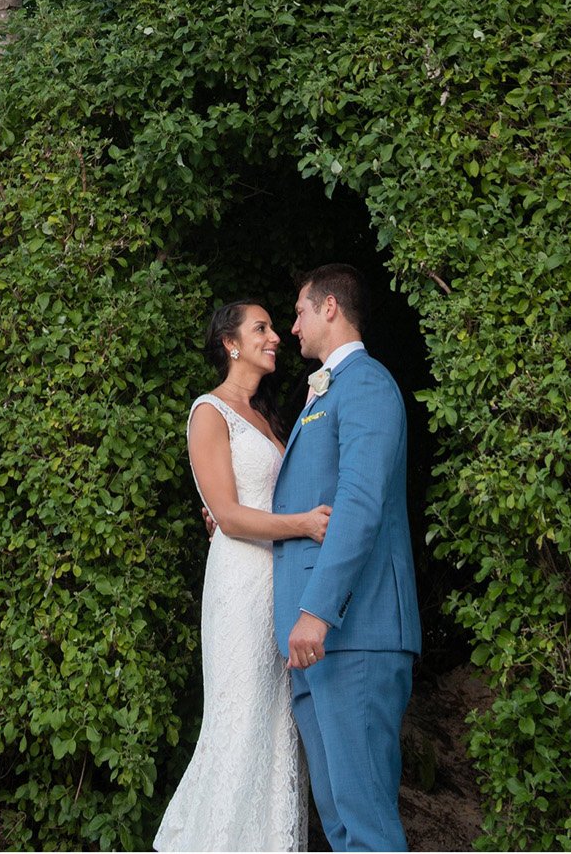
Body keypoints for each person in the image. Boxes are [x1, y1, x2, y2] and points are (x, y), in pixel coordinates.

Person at [154, 302, 333, 853]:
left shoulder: (267, 416)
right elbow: (228, 514)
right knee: (239, 725)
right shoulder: (210, 412)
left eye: (275, 327)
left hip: (278, 584)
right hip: (239, 587)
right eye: (261, 328)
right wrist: (302, 525)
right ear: (230, 344)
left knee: (277, 731)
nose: (276, 336)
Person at [271, 265, 422, 854]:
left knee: (366, 829)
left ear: (330, 307)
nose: (294, 325)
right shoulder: (325, 392)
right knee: (340, 829)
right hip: (317, 648)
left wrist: (317, 611)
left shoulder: (365, 384)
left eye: (301, 310)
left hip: (353, 632)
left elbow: (359, 502)